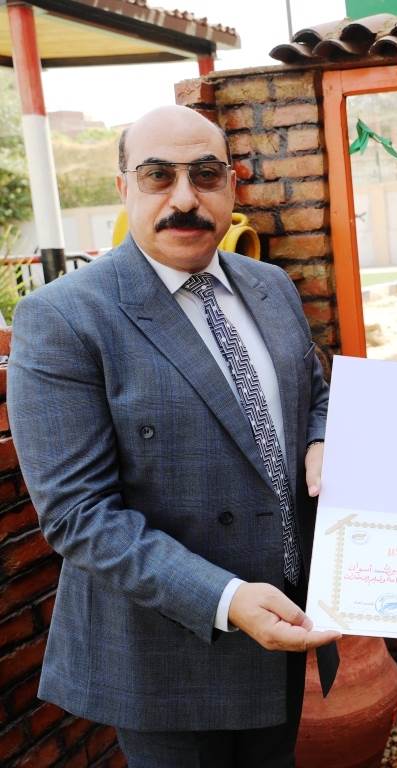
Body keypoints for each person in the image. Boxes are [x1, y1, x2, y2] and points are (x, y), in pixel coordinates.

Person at [8, 105, 340, 767]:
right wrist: (225, 599)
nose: (185, 199)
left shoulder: (270, 286)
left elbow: (314, 394)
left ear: (232, 185)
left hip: (285, 625)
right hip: (169, 656)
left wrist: (321, 439)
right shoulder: (64, 319)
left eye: (206, 175)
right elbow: (78, 516)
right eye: (158, 176)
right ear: (123, 186)